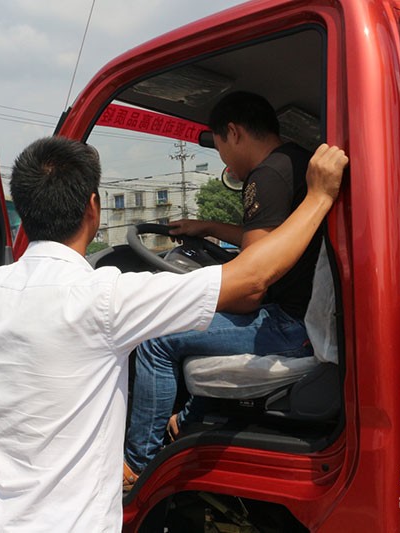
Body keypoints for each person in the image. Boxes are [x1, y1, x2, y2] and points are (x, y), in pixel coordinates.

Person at [0, 135, 347, 532]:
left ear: (24, 212)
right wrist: (319, 196)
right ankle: (141, 463)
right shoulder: (107, 298)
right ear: (93, 208)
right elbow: (250, 281)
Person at [124, 91, 325, 484]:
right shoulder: (295, 161)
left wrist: (188, 297)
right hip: (305, 317)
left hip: (288, 324)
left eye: (219, 149)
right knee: (200, 330)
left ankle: (137, 467)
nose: (224, 162)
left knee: (156, 341)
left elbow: (250, 286)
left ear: (232, 132)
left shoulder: (265, 176)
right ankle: (185, 423)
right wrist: (212, 228)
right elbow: (272, 240)